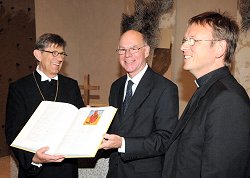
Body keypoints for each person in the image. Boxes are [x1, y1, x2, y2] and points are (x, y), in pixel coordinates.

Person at [162, 11, 250, 178]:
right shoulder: (208, 90)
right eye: (184, 40)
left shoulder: (228, 100)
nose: (182, 47)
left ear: (219, 48)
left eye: (193, 40)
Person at [99, 30, 179, 178]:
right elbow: (116, 128)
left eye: (133, 49)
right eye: (122, 50)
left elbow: (165, 139)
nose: (127, 55)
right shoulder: (115, 86)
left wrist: (123, 144)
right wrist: (94, 121)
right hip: (115, 172)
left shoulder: (165, 88)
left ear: (146, 51)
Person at [5, 33, 85, 178]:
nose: (60, 58)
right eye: (54, 53)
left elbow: (79, 124)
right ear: (38, 54)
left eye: (62, 54)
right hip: (35, 171)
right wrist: (34, 159)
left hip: (66, 168)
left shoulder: (71, 85)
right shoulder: (19, 88)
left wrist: (88, 117)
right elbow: (13, 131)